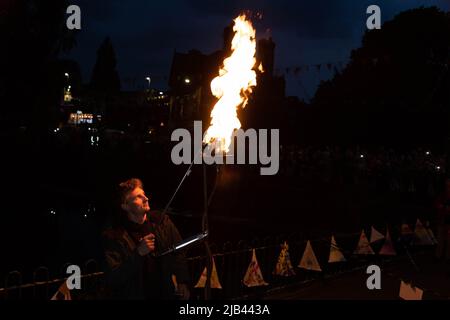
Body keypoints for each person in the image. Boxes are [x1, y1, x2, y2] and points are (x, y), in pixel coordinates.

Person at [102, 178, 191, 300]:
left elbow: (179, 250)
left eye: (144, 194)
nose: (146, 198)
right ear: (125, 206)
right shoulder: (114, 236)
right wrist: (138, 253)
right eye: (138, 197)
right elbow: (113, 277)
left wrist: (182, 280)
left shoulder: (161, 222)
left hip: (165, 294)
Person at [434, 178, 450, 261]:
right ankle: (438, 256)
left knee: (449, 240)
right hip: (442, 220)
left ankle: (448, 256)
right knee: (440, 239)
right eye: (447, 184)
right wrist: (444, 207)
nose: (448, 186)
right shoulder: (442, 195)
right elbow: (438, 205)